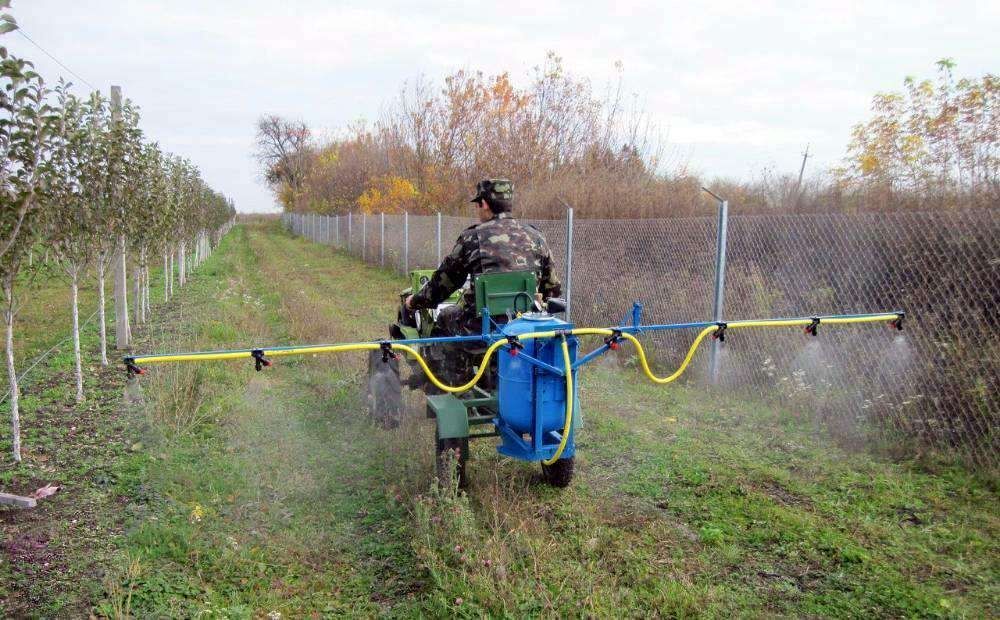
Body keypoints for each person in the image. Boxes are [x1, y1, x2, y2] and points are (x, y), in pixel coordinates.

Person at [404, 179, 562, 381]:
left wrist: (414, 302)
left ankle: (450, 384)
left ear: (484, 204)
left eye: (477, 204)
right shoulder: (536, 237)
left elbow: (440, 287)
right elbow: (553, 291)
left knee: (445, 318)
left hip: (481, 330)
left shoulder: (472, 238)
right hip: (524, 331)